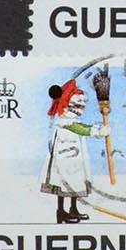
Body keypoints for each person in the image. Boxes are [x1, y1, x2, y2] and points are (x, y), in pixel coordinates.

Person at [41, 78, 94, 225]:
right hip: (65, 159)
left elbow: (80, 127)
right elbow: (80, 129)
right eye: (79, 103)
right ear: (68, 104)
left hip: (74, 159)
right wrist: (98, 131)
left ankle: (73, 209)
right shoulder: (65, 121)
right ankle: (61, 212)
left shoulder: (71, 120)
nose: (83, 106)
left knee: (75, 181)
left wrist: (95, 129)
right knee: (64, 183)